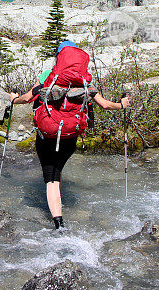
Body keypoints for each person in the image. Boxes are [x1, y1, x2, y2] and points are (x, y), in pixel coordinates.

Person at [9, 55, 130, 230]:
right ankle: (58, 196)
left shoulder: (47, 76)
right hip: (70, 136)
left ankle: (59, 224)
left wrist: (13, 99)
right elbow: (105, 105)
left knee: (51, 179)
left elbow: (27, 98)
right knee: (58, 169)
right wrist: (122, 104)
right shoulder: (84, 80)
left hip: (48, 135)